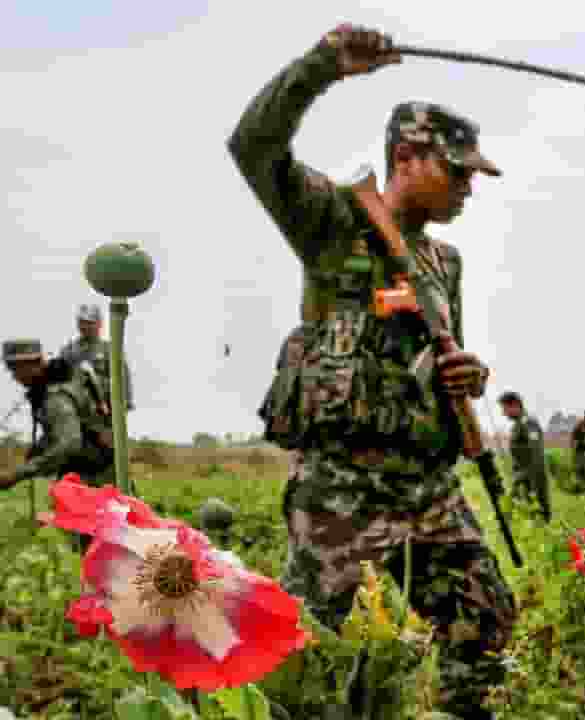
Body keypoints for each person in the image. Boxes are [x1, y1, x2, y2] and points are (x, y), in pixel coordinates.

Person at [227, 23, 513, 719]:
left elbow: (435, 360)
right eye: (458, 170)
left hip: (428, 487)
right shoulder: (332, 221)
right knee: (316, 660)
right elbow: (253, 145)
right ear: (407, 158)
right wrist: (322, 67)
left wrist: (467, 376)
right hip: (343, 490)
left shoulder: (445, 263)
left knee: (483, 617)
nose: (468, 188)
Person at [0, 340, 115, 549]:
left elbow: (68, 443)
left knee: (97, 548)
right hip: (101, 473)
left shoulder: (55, 396)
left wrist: (17, 474)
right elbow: (70, 428)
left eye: (16, 369)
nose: (15, 377)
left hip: (91, 479)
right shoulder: (66, 382)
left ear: (35, 363)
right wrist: (39, 449)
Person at [58, 304, 134, 411]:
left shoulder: (109, 349)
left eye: (90, 323)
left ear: (99, 324)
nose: (85, 326)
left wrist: (125, 402)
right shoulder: (68, 351)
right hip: (75, 408)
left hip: (103, 408)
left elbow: (123, 378)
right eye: (82, 322)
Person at [499, 391, 550, 521]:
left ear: (515, 405)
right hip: (523, 477)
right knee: (528, 512)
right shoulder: (517, 425)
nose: (503, 413)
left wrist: (526, 476)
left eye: (505, 409)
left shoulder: (529, 423)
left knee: (540, 513)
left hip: (534, 477)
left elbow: (537, 453)